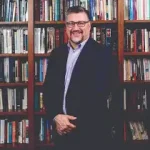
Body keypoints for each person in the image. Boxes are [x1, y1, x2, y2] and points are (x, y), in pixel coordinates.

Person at [43, 6, 113, 150]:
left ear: (89, 26)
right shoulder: (57, 54)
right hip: (60, 134)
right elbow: (49, 90)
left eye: (81, 23)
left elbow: (101, 95)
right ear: (66, 27)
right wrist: (56, 116)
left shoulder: (103, 54)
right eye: (71, 23)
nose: (76, 28)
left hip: (91, 136)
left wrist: (70, 124)